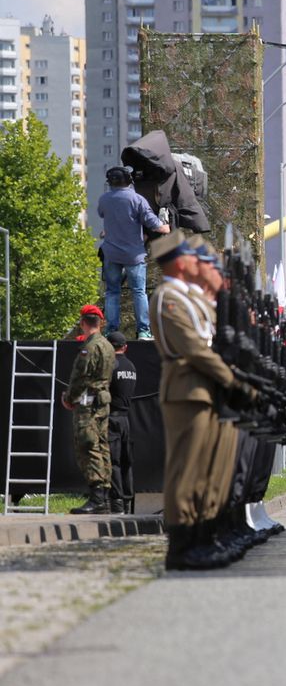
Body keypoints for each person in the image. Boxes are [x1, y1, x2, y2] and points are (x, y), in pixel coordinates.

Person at [150, 230, 255, 570]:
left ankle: (201, 536)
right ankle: (182, 545)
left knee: (205, 469)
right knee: (187, 469)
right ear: (180, 262)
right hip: (186, 389)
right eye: (194, 258)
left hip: (204, 389)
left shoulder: (190, 299)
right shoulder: (168, 297)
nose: (200, 263)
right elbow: (194, 348)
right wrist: (231, 379)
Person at [97, 166, 170, 339]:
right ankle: (143, 331)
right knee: (138, 291)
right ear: (128, 180)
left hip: (111, 254)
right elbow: (152, 222)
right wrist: (165, 226)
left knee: (112, 292)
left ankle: (111, 330)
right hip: (133, 255)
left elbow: (104, 215)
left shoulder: (104, 199)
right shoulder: (137, 199)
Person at [65, 310, 116, 515]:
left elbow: (80, 377)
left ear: (84, 323)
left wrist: (69, 398)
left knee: (88, 446)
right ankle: (103, 495)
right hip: (103, 401)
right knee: (102, 446)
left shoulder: (90, 347)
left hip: (89, 402)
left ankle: (97, 498)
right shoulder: (109, 346)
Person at [104, 331, 137, 514]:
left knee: (113, 461)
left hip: (112, 419)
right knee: (126, 461)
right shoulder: (131, 366)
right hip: (126, 419)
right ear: (125, 347)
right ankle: (127, 502)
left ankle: (116, 503)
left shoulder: (111, 365)